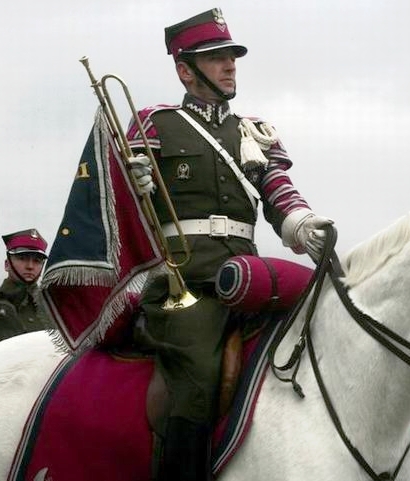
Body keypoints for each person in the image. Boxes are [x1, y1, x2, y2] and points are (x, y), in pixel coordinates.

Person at [124, 8, 333, 480]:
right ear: (185, 69)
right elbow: (122, 210)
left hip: (246, 274)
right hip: (185, 280)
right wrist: (132, 183)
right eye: (215, 57)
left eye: (231, 56)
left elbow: (277, 188)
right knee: (197, 373)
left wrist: (302, 223)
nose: (230, 65)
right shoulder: (154, 123)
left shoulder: (252, 131)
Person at [0, 228, 55, 333]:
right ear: (7, 265)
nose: (30, 266)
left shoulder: (53, 308)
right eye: (22, 259)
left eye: (37, 261)